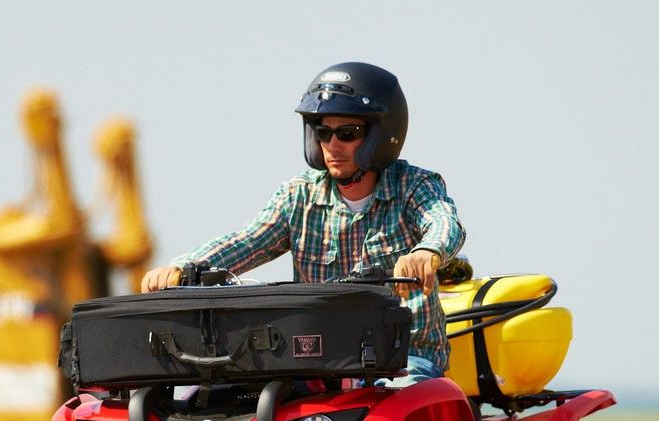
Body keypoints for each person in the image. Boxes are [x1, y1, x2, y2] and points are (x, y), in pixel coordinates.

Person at [141, 62, 465, 385]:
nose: (332, 146)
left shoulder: (413, 185)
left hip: (402, 359)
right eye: (323, 133)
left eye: (347, 134)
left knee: (395, 399)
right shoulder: (300, 195)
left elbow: (443, 221)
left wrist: (427, 252)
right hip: (320, 360)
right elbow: (249, 241)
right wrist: (183, 268)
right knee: (228, 395)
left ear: (382, 136)